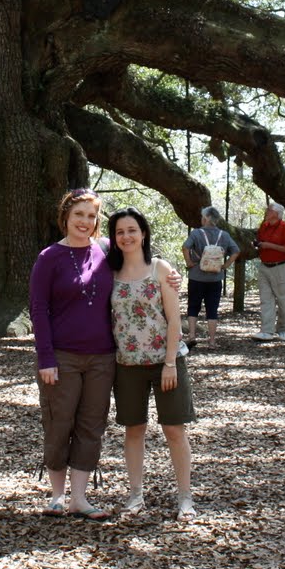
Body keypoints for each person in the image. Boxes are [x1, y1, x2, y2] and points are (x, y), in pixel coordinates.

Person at [28, 188, 116, 519]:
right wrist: (45, 358)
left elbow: (141, 265)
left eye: (91, 216)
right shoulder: (48, 257)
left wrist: (170, 276)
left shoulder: (107, 252)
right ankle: (56, 496)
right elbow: (38, 309)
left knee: (91, 425)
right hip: (62, 356)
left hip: (102, 357)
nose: (85, 221)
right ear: (66, 216)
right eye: (79, 214)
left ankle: (80, 499)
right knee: (58, 422)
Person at [108, 207, 197, 521]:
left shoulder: (160, 269)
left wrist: (170, 362)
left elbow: (174, 319)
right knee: (134, 430)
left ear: (143, 233)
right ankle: (135, 495)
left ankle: (185, 497)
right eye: (120, 232)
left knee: (174, 429)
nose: (126, 236)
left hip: (166, 361)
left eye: (132, 230)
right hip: (127, 364)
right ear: (114, 238)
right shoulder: (110, 272)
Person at [182, 206, 238, 350]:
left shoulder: (196, 233)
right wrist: (225, 265)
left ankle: (192, 336)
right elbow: (236, 251)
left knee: (193, 306)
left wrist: (189, 262)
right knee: (212, 309)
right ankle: (212, 341)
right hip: (215, 278)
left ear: (206, 218)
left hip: (196, 276)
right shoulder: (224, 235)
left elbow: (185, 247)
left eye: (202, 217)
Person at [251, 201, 285, 342]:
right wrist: (257, 245)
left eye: (269, 210)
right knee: (266, 299)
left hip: (281, 267)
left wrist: (269, 245)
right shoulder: (263, 227)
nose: (266, 212)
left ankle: (283, 329)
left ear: (276, 213)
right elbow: (261, 242)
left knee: (283, 299)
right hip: (265, 266)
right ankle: (267, 331)